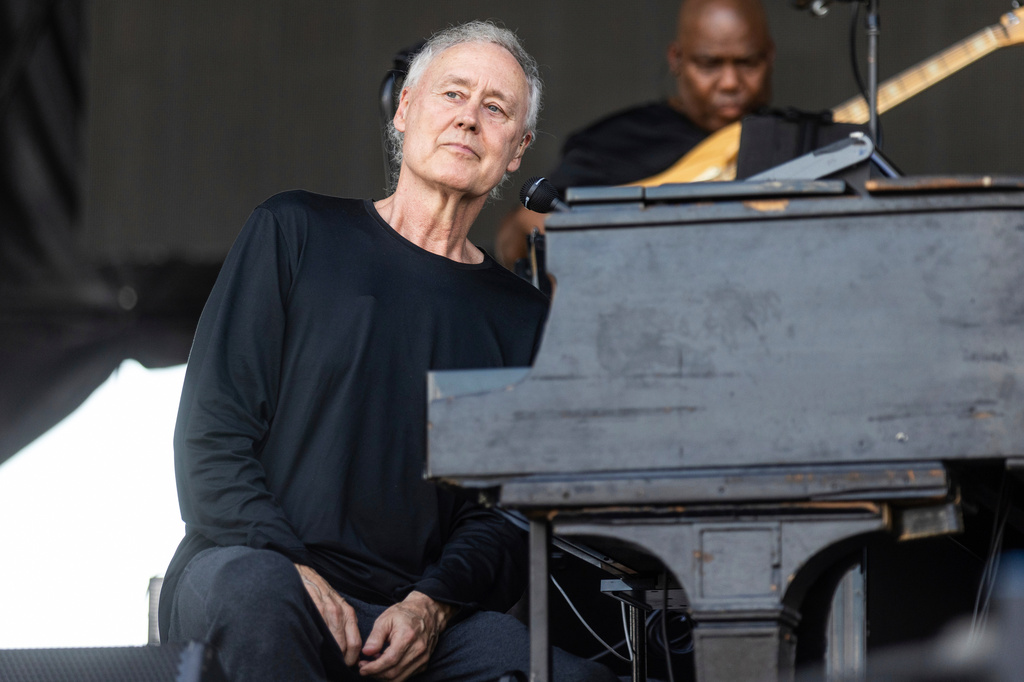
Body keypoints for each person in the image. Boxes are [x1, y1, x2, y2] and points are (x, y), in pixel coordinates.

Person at [158, 20, 618, 682]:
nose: (468, 120)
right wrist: (298, 570)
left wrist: (430, 606)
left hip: (410, 611)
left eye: (494, 110)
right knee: (264, 597)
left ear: (516, 151)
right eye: (452, 95)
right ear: (405, 109)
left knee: (566, 675)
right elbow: (211, 437)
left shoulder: (527, 321)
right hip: (251, 562)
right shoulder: (294, 231)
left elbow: (504, 517)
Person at [495, 0, 774, 269]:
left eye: (748, 63)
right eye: (709, 64)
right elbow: (520, 230)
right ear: (676, 59)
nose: (730, 83)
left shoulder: (792, 141)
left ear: (769, 57)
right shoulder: (611, 143)